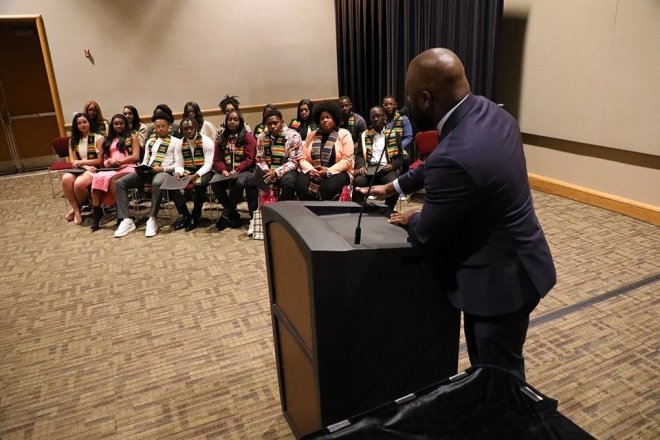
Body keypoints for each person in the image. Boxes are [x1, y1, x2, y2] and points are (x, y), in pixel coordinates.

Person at [358, 48, 556, 380]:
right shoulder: (493, 114)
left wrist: (414, 216)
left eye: (408, 97)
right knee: (495, 360)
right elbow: (440, 162)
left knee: (499, 374)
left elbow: (427, 234)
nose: (405, 105)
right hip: (525, 259)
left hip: (498, 284)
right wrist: (393, 188)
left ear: (425, 98)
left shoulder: (457, 153)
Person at [113, 108, 183, 238]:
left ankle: (152, 219)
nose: (160, 129)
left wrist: (163, 169)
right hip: (148, 171)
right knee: (119, 183)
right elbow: (145, 160)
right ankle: (126, 220)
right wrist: (141, 167)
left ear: (169, 127)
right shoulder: (151, 141)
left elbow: (179, 165)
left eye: (163, 126)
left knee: (157, 182)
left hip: (164, 172)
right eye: (157, 127)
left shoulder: (176, 142)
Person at [89, 114, 140, 231]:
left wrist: (120, 162)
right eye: (116, 124)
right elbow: (105, 159)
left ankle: (121, 215)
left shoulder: (132, 137)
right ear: (112, 125)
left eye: (121, 123)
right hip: (112, 167)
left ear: (126, 124)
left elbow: (136, 157)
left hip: (129, 166)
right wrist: (109, 162)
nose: (119, 126)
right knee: (97, 177)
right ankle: (96, 215)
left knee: (114, 180)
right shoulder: (108, 139)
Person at [211, 109, 258, 233]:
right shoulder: (222, 138)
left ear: (240, 122)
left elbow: (249, 159)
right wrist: (224, 170)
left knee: (239, 182)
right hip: (227, 172)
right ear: (226, 122)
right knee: (214, 182)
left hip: (245, 170)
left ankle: (226, 213)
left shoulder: (248, 137)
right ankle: (233, 214)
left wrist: (237, 169)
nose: (232, 122)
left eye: (235, 120)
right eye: (230, 119)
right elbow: (217, 159)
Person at [296, 101, 354, 201]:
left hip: (338, 172)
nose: (325, 120)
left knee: (328, 189)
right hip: (313, 171)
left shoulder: (344, 133)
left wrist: (328, 171)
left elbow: (347, 160)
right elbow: (302, 158)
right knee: (301, 187)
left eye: (328, 117)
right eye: (322, 118)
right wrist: (311, 170)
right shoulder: (312, 135)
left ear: (334, 118)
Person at [352, 105, 403, 209]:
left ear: (384, 117)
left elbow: (400, 158)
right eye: (373, 117)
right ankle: (357, 210)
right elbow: (359, 155)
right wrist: (361, 165)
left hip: (386, 169)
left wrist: (393, 166)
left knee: (394, 183)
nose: (376, 119)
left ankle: (387, 209)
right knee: (358, 182)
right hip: (369, 169)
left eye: (378, 116)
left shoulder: (393, 134)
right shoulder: (364, 135)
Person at [171, 116, 215, 231]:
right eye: (186, 129)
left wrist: (195, 176)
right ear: (182, 130)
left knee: (199, 184)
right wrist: (178, 173)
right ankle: (184, 214)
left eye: (191, 128)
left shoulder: (207, 141)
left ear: (196, 128)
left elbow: (208, 165)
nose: (189, 131)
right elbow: (179, 164)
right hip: (189, 170)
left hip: (205, 171)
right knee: (172, 184)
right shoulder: (180, 144)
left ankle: (195, 215)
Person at [62, 113, 104, 224]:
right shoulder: (73, 140)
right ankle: (76, 210)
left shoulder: (98, 138)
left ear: (89, 123)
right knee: (66, 178)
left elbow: (99, 160)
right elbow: (72, 160)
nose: (82, 125)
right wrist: (84, 165)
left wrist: (81, 163)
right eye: (79, 123)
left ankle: (77, 208)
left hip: (95, 169)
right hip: (81, 168)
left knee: (78, 184)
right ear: (76, 126)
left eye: (85, 122)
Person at [255, 108, 302, 201]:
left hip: (287, 169)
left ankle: (283, 208)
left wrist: (276, 172)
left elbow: (294, 161)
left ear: (282, 122)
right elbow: (260, 159)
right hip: (267, 169)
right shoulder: (262, 137)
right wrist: (267, 171)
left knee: (288, 182)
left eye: (275, 123)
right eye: (269, 124)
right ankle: (258, 210)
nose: (272, 126)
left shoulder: (293, 135)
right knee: (250, 181)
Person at [382, 94, 413, 173]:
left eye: (391, 104)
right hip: (383, 149)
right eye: (386, 105)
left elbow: (408, 137)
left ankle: (404, 179)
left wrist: (398, 148)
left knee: (405, 159)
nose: (388, 106)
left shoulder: (403, 119)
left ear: (395, 105)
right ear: (383, 106)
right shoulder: (381, 120)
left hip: (399, 149)